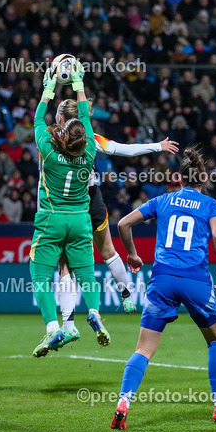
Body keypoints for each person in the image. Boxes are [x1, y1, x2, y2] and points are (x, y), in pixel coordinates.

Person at [111, 147, 216, 428]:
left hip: (162, 280)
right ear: (203, 178)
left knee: (143, 349)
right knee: (215, 339)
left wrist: (131, 253)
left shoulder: (163, 200)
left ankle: (124, 401)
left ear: (179, 179)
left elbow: (122, 224)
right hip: (195, 280)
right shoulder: (212, 206)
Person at [54, 98, 178, 350]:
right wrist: (158, 146)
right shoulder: (89, 137)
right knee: (108, 251)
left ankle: (68, 324)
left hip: (69, 205)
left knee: (66, 264)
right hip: (93, 199)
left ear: (59, 118)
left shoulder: (52, 142)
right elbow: (124, 149)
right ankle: (127, 295)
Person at [28, 60, 110, 357]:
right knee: (86, 274)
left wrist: (48, 89)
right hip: (80, 220)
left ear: (61, 131)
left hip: (51, 219)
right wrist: (79, 84)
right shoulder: (88, 152)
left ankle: (53, 327)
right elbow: (85, 116)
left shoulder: (47, 152)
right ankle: (96, 313)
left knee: (40, 274)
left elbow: (38, 121)